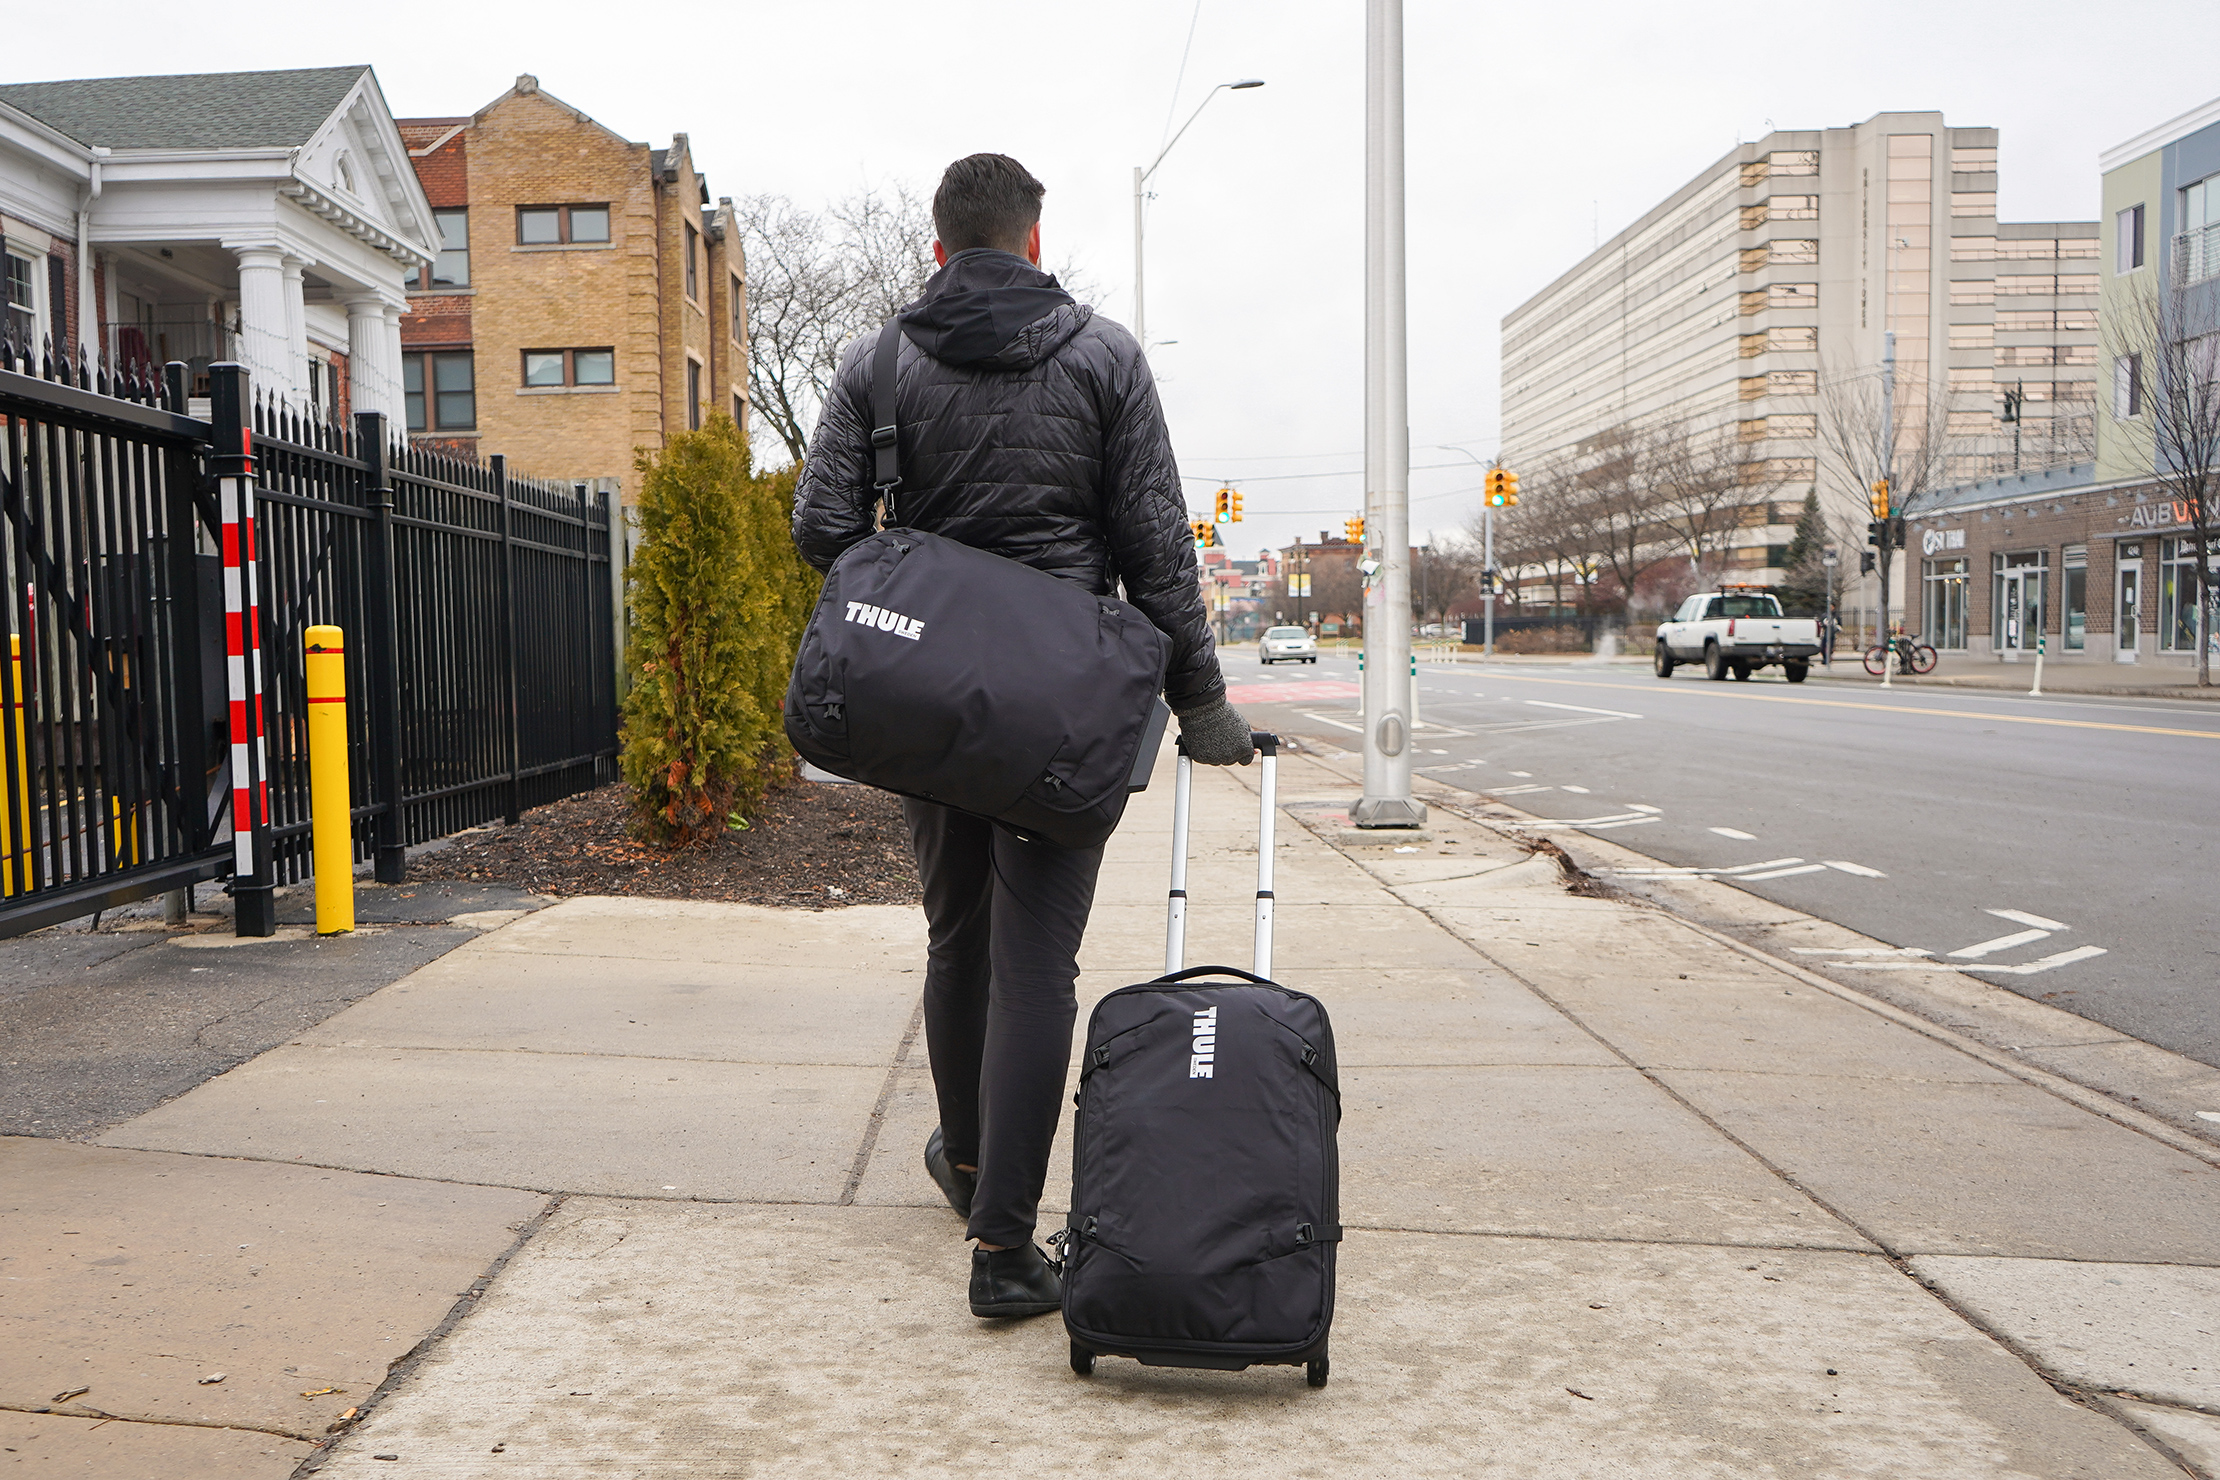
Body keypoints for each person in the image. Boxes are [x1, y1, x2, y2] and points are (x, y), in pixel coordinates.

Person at [792, 153, 1253, 1317]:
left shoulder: (877, 361)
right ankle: (1003, 1247)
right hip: (1060, 712)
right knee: (1037, 964)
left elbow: (822, 526)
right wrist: (1201, 704)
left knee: (958, 940)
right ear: (1035, 243)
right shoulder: (1105, 356)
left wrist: (924, 572)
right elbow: (1157, 549)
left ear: (938, 248)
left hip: (929, 701)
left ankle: (964, 1160)